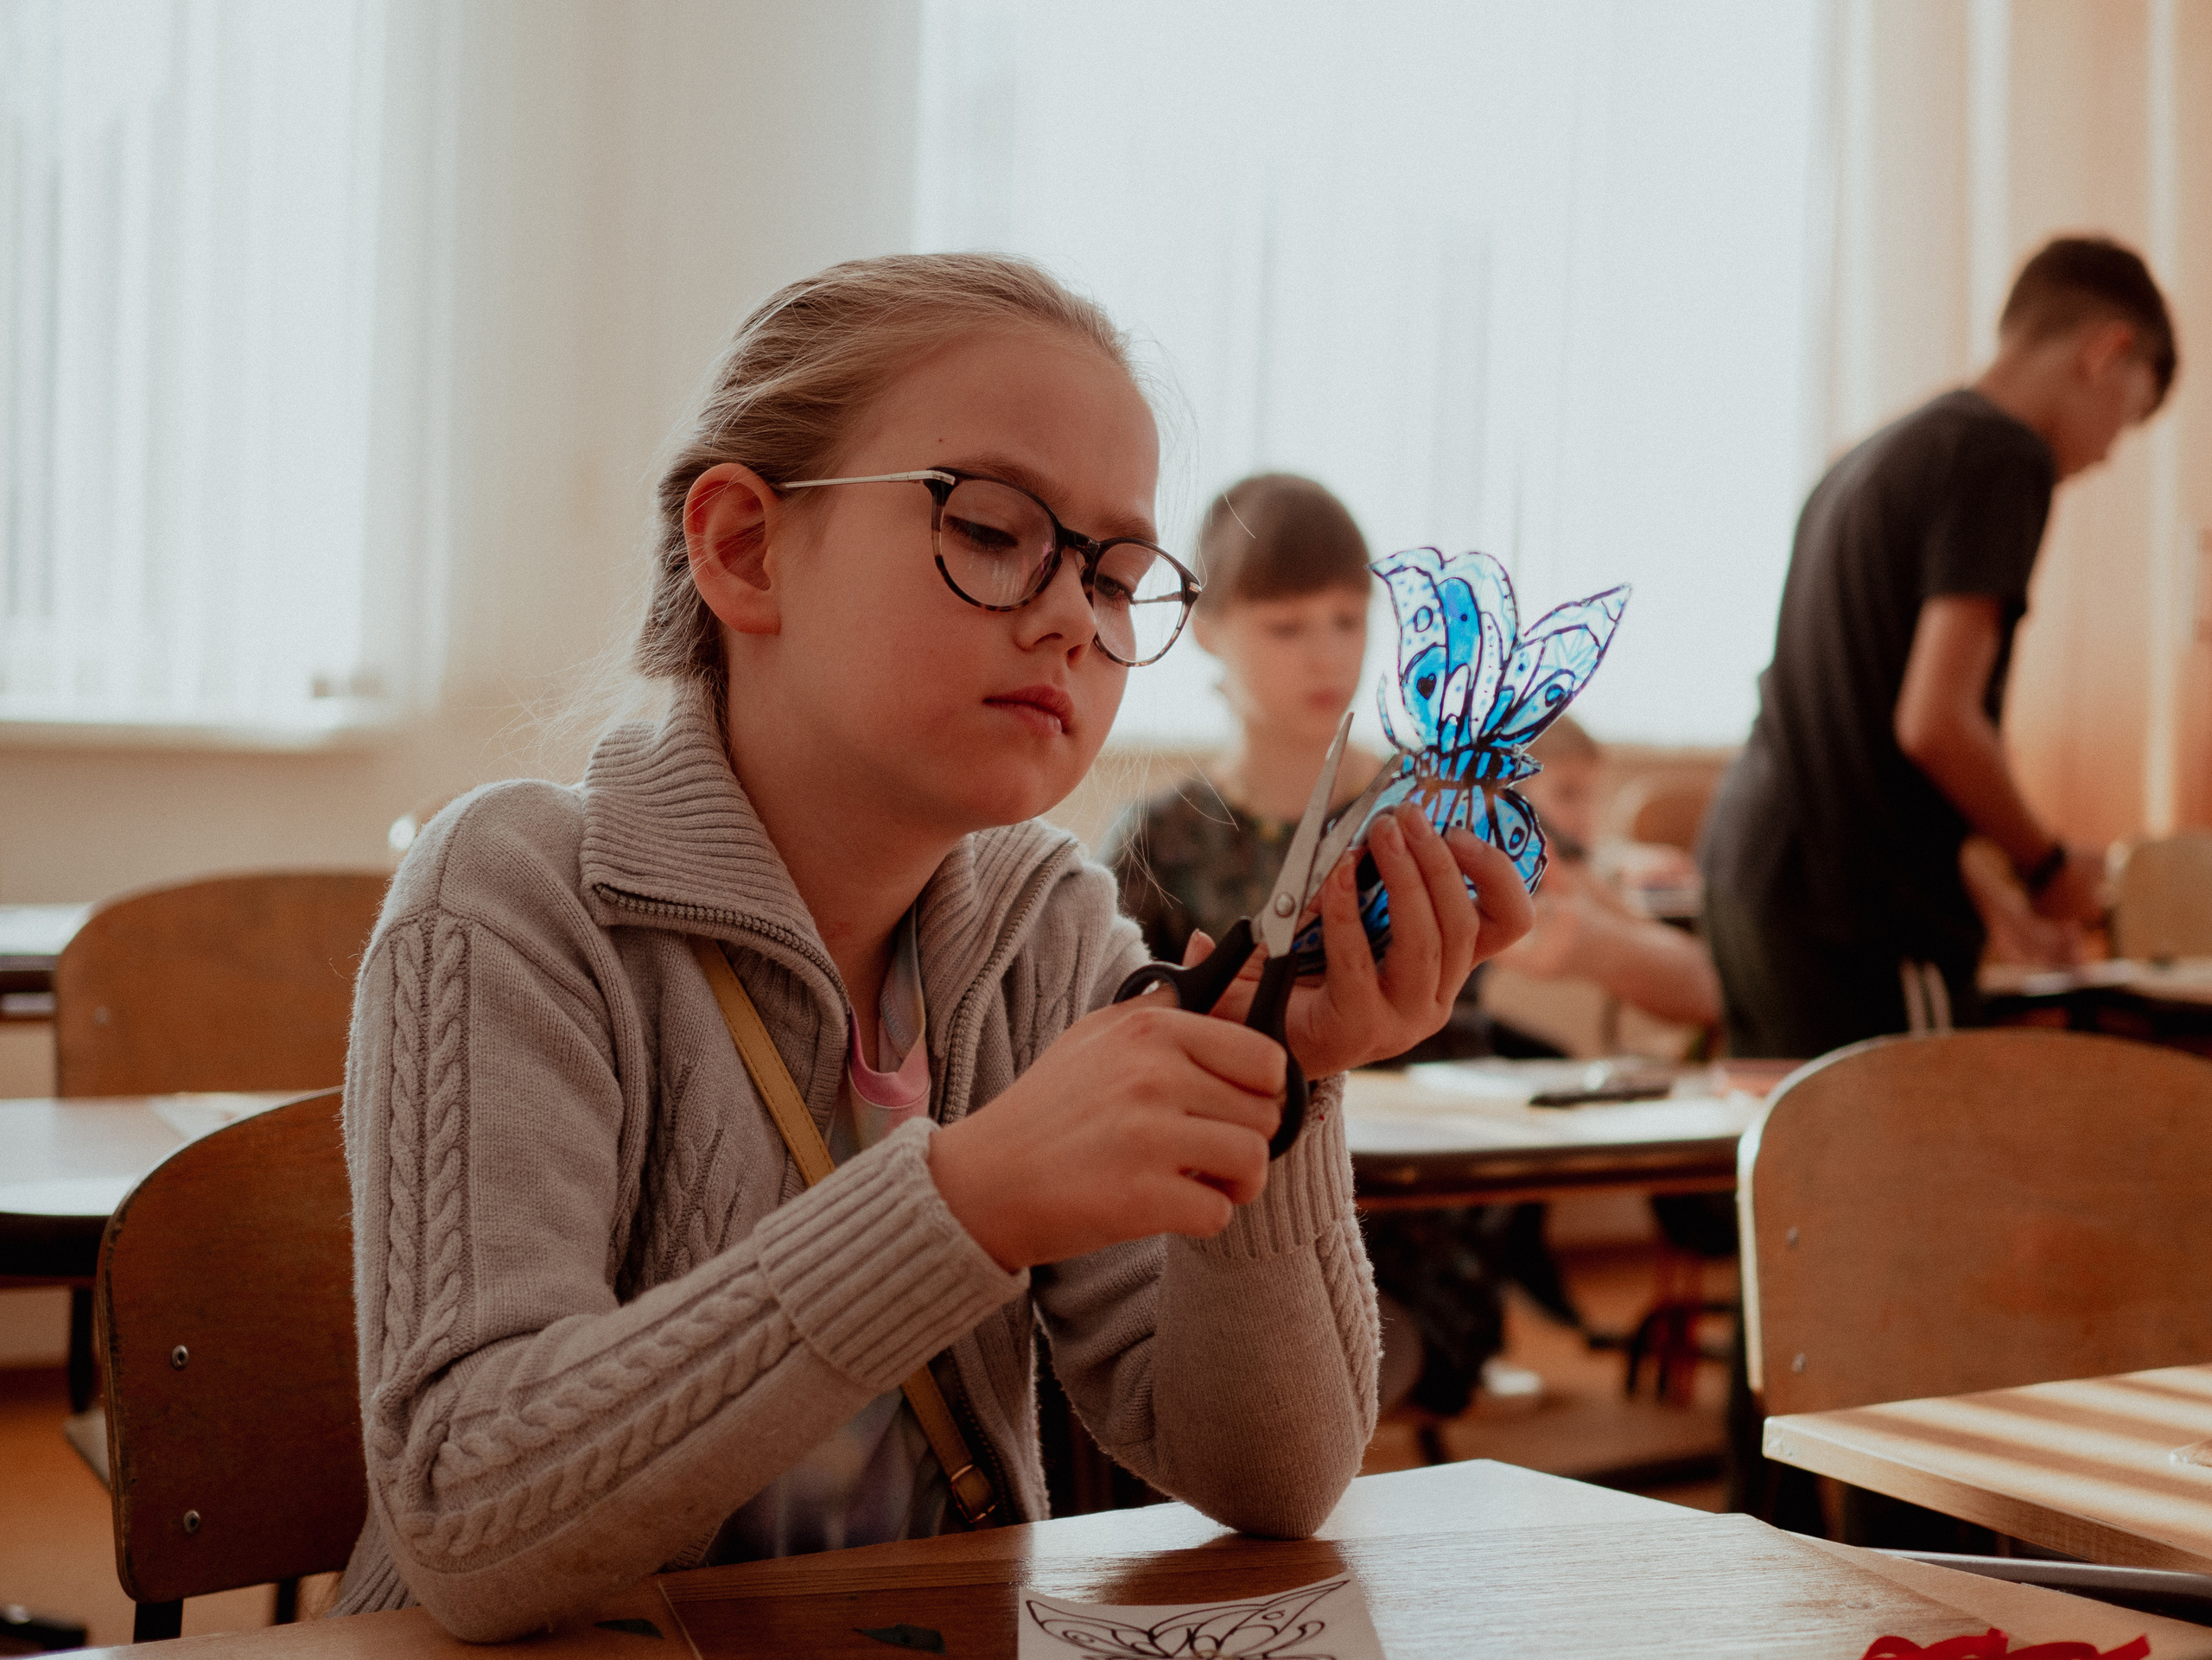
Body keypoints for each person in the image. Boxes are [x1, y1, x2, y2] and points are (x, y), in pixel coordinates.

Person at [331, 257, 1534, 1639]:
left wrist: (1280, 1082)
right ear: (741, 547)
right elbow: (466, 1515)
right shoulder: (513, 892)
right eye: (992, 528)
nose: (1075, 618)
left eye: (1120, 574)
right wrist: (963, 1201)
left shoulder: (1049, 927)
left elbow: (1270, 1477)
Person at [1104, 474, 1542, 1417]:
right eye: (1287, 624)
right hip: (1197, 1223)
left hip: (1414, 1240)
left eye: (1348, 619)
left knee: (1284, 1397)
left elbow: (1460, 1043)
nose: (1327, 653)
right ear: (1211, 629)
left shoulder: (1426, 820)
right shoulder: (1154, 839)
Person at [1700, 237, 2177, 1059]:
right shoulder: (2004, 454)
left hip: (1753, 873)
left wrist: (1991, 898)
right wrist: (2050, 862)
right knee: (1908, 1182)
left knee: (1794, 1178)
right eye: (2126, 423)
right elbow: (1936, 722)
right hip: (1850, 915)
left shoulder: (1867, 458)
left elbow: (1851, 734)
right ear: (2109, 351)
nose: (2104, 454)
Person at [1495, 716, 1722, 1046]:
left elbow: (1591, 865)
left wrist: (1616, 858)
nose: (1585, 813)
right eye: (1567, 794)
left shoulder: (1571, 864)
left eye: (1592, 796)